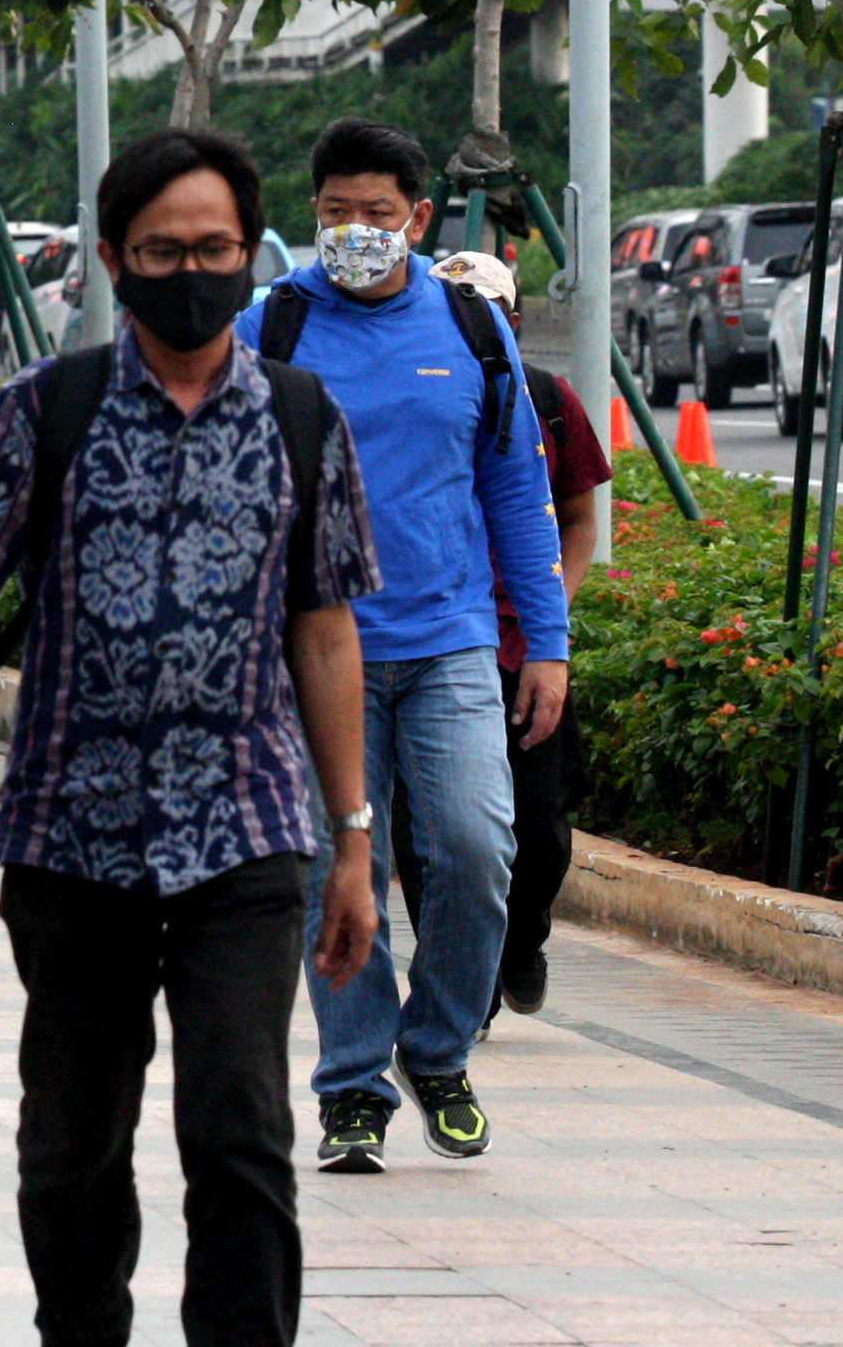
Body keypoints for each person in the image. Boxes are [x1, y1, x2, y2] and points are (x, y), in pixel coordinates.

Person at [0, 128, 382, 1347]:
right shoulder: (42, 411)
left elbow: (325, 634)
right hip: (72, 836)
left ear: (250, 253)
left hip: (247, 835)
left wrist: (354, 840)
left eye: (215, 248)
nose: (191, 272)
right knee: (70, 1147)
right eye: (163, 250)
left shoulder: (304, 419)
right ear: (116, 260)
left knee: (240, 1135)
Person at [249, 118, 566, 1174]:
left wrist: (550, 644)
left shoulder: (474, 329)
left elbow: (518, 492)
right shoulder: (273, 327)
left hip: (451, 642)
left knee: (479, 852)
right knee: (346, 873)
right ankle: (351, 1088)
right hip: (316, 653)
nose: (356, 233)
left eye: (378, 216)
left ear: (419, 220)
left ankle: (436, 1051)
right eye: (336, 214)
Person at [426, 250, 605, 1025]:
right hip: (432, 646)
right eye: (453, 306)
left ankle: (520, 940)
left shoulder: (547, 402)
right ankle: (464, 988)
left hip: (520, 655)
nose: (470, 323)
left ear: (514, 319)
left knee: (537, 831)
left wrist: (547, 630)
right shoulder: (409, 400)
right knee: (437, 836)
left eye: (486, 308)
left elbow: (576, 523)